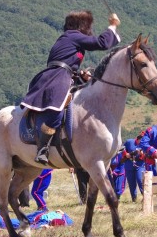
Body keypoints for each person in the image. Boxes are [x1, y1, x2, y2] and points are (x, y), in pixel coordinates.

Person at [20, 10, 121, 164]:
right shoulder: (72, 35)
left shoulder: (69, 38)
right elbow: (102, 43)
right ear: (82, 26)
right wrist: (112, 26)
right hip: (56, 77)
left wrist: (80, 75)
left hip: (65, 75)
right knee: (57, 110)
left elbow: (69, 64)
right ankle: (43, 148)